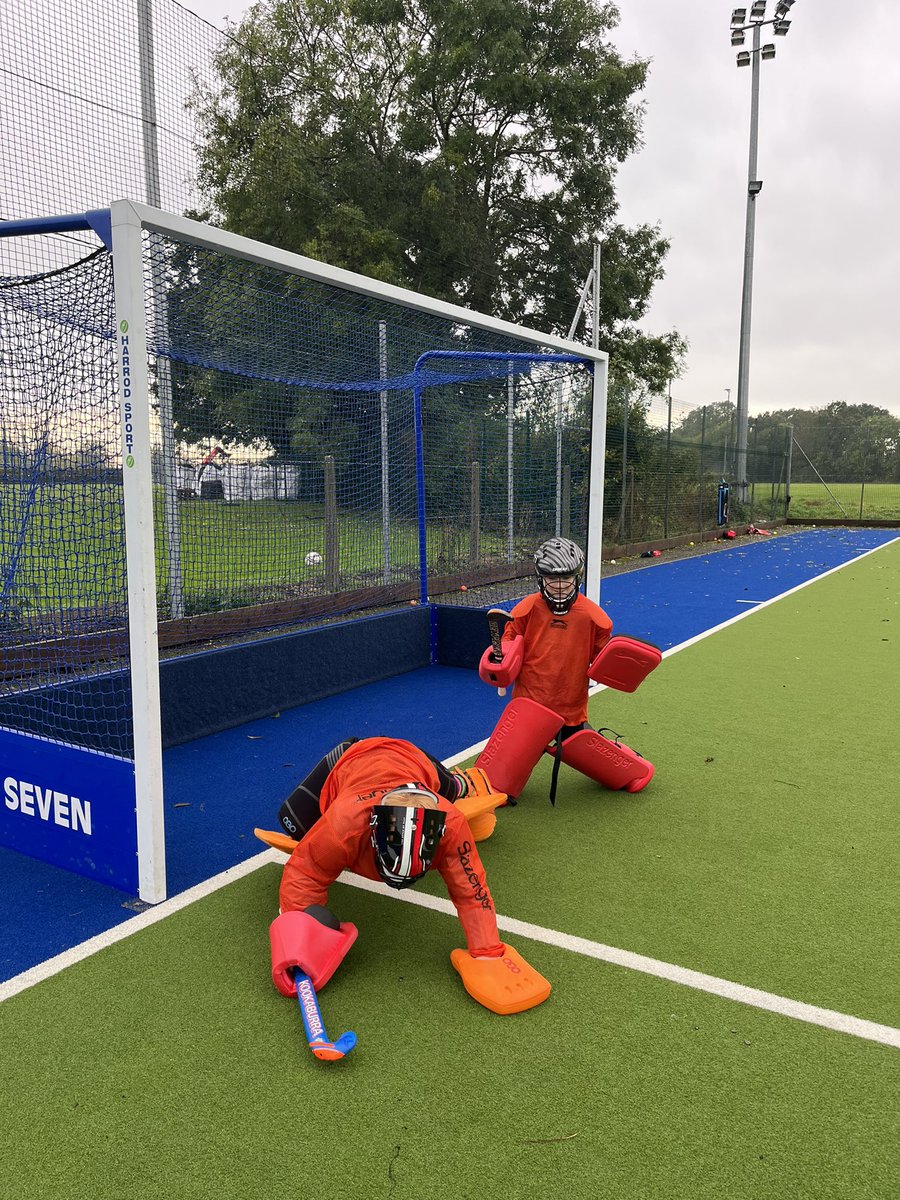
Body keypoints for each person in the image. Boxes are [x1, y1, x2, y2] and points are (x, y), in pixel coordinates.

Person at [260, 735, 551, 1016]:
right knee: (294, 825)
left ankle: (461, 783)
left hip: (415, 761)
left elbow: (471, 891)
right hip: (351, 757)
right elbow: (303, 871)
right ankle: (442, 779)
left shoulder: (450, 823)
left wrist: (487, 951)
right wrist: (298, 942)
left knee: (450, 787)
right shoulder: (343, 824)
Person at [475, 537, 660, 801]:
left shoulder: (594, 617)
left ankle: (633, 769)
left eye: (566, 578)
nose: (560, 586)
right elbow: (509, 641)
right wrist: (501, 660)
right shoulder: (526, 609)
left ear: (578, 577)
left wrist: (621, 667)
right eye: (552, 579)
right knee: (495, 786)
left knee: (582, 746)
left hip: (570, 702)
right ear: (541, 578)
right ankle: (495, 787)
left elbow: (604, 659)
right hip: (530, 701)